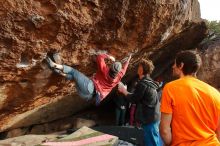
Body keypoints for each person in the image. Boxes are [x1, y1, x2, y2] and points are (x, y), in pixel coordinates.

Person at [160, 50, 220, 146]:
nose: (173, 66)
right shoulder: (215, 93)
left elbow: (164, 130)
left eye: (175, 64)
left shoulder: (171, 88)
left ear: (181, 65)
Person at [46, 53, 131, 105]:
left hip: (90, 87)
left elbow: (99, 57)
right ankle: (60, 72)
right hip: (87, 96)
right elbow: (124, 70)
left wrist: (109, 57)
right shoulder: (119, 77)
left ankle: (54, 65)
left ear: (111, 67)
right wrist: (128, 61)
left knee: (74, 72)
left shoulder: (104, 70)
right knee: (74, 78)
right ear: (118, 72)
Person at [118, 58, 160, 146]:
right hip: (154, 116)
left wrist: (124, 91)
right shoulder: (149, 82)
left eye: (139, 67)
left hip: (149, 118)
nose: (138, 68)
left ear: (141, 70)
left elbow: (134, 99)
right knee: (152, 140)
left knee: (151, 142)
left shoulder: (143, 84)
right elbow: (138, 96)